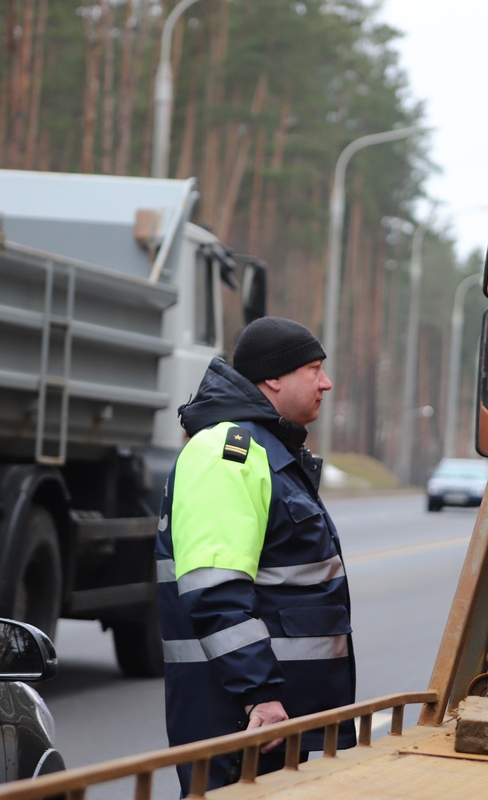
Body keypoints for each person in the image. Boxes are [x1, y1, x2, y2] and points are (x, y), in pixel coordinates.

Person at [155, 316, 356, 796]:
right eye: (314, 369)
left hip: (273, 717)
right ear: (274, 378)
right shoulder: (230, 454)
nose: (326, 382)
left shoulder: (266, 451)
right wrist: (258, 695)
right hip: (241, 720)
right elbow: (214, 590)